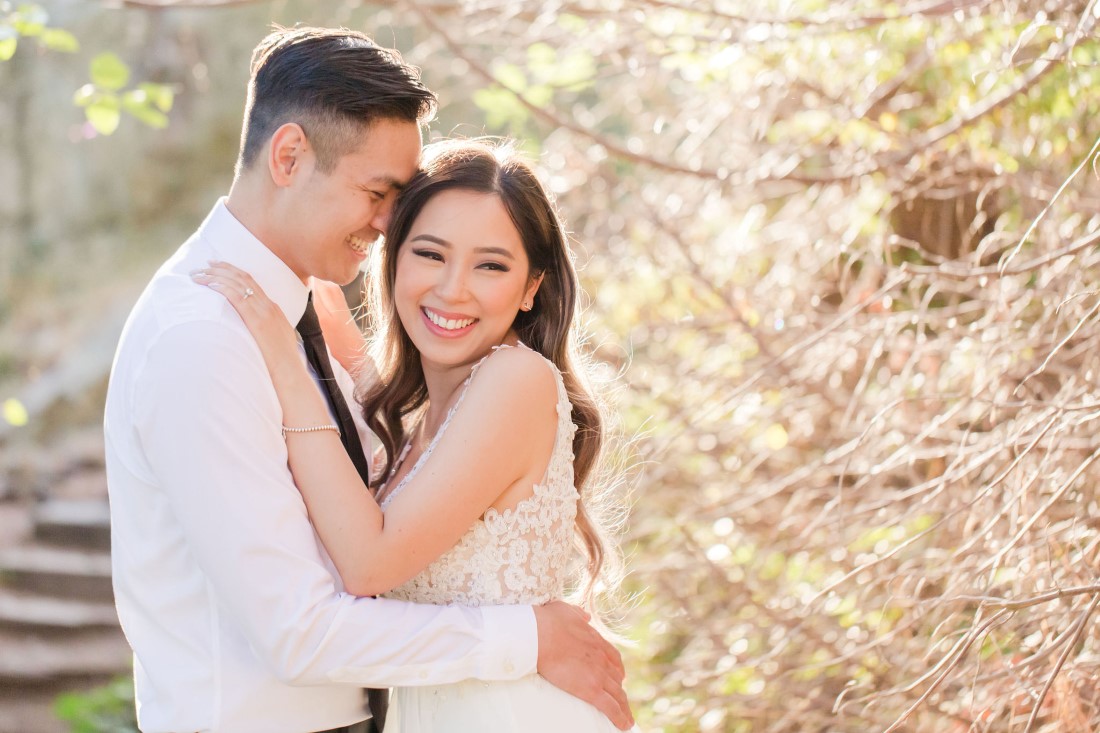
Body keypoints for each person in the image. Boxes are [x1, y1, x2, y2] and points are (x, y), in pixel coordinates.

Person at [103, 26, 632, 733]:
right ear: (289, 156)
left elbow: (379, 513)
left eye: (398, 201)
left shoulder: (299, 317)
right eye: (378, 193)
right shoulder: (205, 336)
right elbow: (299, 630)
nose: (387, 223)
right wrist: (525, 637)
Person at [192, 136, 634, 732]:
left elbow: (370, 563)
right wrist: (337, 340)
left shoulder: (518, 380)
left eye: (491, 265)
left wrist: (287, 368)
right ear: (394, 260)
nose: (452, 289)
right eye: (430, 254)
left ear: (532, 286)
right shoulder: (439, 409)